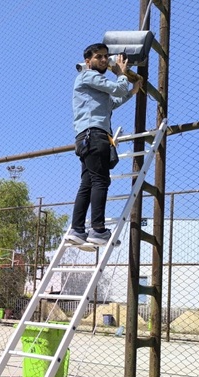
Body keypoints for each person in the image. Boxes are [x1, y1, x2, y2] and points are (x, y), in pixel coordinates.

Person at [66, 43, 142, 247]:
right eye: (99, 57)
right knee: (101, 181)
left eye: (105, 57)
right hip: (95, 135)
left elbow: (112, 103)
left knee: (88, 183)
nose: (103, 60)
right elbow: (117, 87)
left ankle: (77, 229)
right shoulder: (88, 76)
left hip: (86, 137)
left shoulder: (92, 86)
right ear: (88, 61)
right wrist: (122, 73)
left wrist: (132, 92)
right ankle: (98, 230)